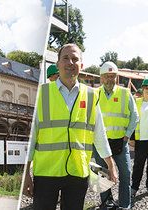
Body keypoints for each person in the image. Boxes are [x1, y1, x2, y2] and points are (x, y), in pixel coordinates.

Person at [23, 43, 118, 210]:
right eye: (65, 58)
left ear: (81, 65)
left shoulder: (91, 95)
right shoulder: (42, 93)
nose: (70, 62)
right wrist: (25, 174)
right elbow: (31, 138)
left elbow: (99, 134)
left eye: (75, 59)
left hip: (77, 171)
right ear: (58, 64)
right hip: (46, 171)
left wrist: (110, 165)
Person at [94, 61, 139, 210]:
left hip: (121, 142)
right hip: (101, 143)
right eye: (106, 76)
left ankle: (125, 205)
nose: (109, 79)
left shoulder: (125, 93)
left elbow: (135, 117)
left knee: (126, 173)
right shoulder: (95, 94)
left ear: (116, 78)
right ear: (101, 78)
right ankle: (107, 202)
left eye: (113, 76)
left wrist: (126, 137)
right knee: (103, 174)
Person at [130, 78, 148, 198]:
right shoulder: (137, 102)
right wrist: (132, 138)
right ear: (142, 88)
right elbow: (132, 121)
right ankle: (134, 187)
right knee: (138, 165)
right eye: (146, 87)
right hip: (141, 140)